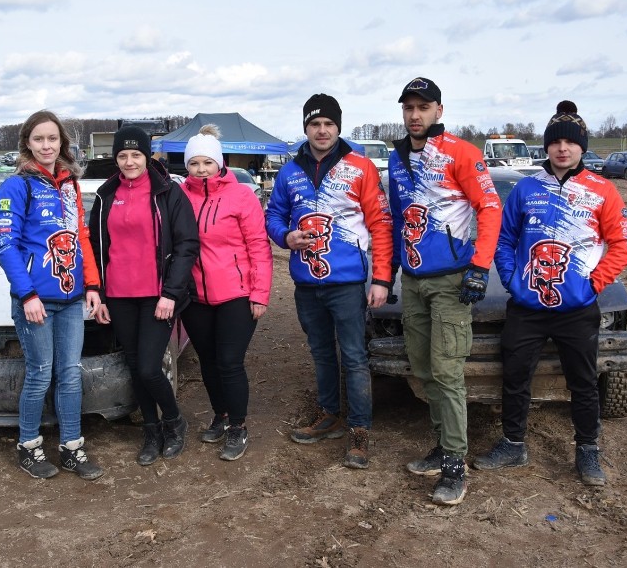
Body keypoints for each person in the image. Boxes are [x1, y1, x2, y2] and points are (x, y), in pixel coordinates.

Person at [473, 101, 627, 486]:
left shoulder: (601, 190)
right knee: (515, 377)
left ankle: (588, 451)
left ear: (582, 147)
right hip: (527, 308)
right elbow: (504, 238)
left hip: (577, 309)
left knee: (582, 382)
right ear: (546, 147)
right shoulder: (525, 188)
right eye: (556, 141)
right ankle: (513, 444)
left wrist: (594, 282)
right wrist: (514, 280)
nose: (563, 148)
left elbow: (625, 243)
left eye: (571, 142)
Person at [388, 77, 502, 505]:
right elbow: (397, 219)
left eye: (423, 107)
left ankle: (455, 463)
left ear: (439, 110)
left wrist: (479, 266)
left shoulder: (462, 153)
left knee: (448, 370)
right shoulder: (398, 159)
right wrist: (389, 272)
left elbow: (490, 208)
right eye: (408, 108)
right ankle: (440, 445)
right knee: (422, 366)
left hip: (452, 279)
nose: (414, 115)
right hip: (413, 280)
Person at [265, 93, 393, 470]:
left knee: (354, 357)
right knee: (321, 352)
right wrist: (284, 236)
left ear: (339, 127)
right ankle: (330, 415)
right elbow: (274, 214)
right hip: (306, 282)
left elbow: (381, 224)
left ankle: (359, 430)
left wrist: (381, 278)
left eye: (329, 124)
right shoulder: (290, 171)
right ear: (305, 127)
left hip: (348, 281)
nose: (322, 131)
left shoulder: (361, 167)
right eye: (315, 124)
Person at [0, 109, 104, 480]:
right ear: (27, 142)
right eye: (39, 139)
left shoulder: (70, 185)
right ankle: (29, 446)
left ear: (62, 143)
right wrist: (26, 295)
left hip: (71, 299)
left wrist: (92, 285)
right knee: (41, 374)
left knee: (70, 374)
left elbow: (81, 238)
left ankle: (72, 448)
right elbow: (5, 246)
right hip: (35, 301)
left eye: (52, 139)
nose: (46, 145)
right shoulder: (17, 186)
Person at [88, 126, 199, 467]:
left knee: (151, 368)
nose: (129, 161)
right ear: (115, 158)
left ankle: (174, 421)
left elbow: (186, 245)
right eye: (122, 155)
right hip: (119, 296)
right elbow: (95, 246)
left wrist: (171, 293)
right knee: (136, 368)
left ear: (148, 155)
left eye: (136, 155)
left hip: (157, 296)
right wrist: (99, 293)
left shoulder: (168, 192)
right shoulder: (106, 195)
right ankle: (151, 431)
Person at [179, 125, 273, 461]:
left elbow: (258, 245)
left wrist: (260, 293)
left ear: (219, 163)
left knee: (229, 362)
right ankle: (219, 415)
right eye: (194, 163)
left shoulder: (241, 196)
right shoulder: (180, 196)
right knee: (208, 361)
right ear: (187, 166)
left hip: (236, 294)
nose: (201, 169)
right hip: (196, 297)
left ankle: (238, 426)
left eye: (207, 162)